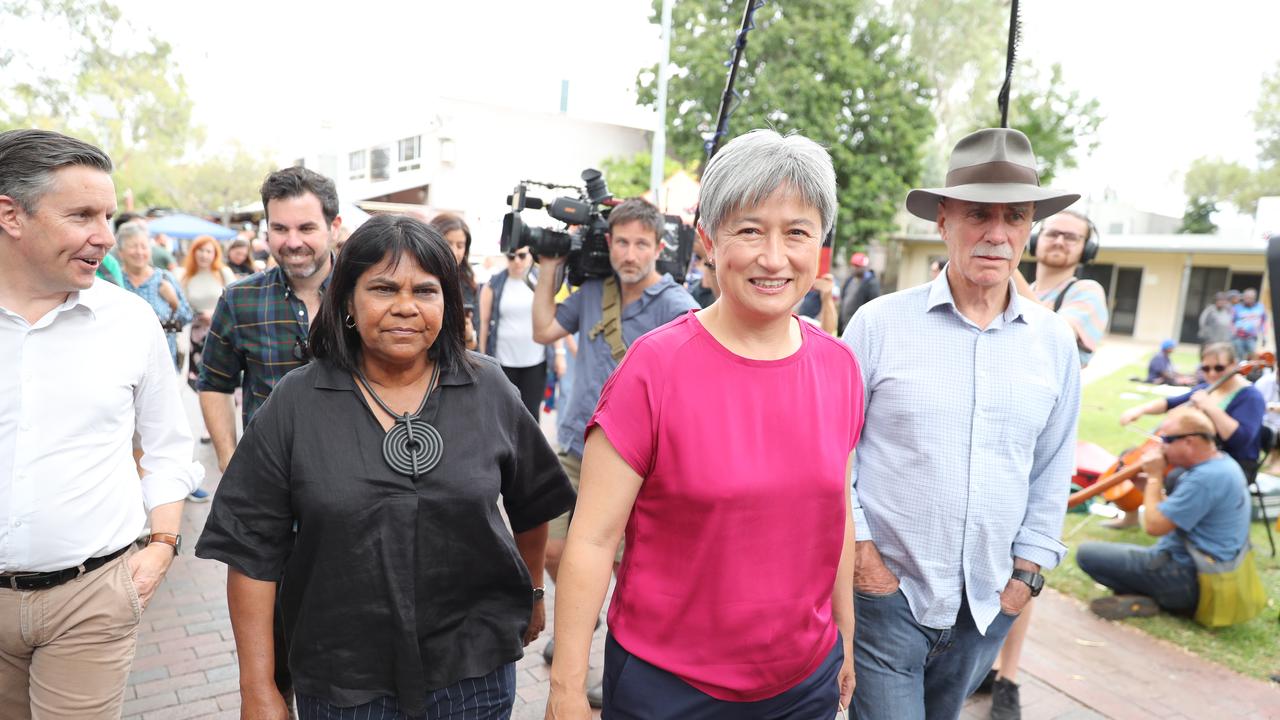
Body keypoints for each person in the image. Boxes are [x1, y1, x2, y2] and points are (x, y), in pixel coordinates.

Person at [196, 215, 574, 720]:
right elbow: (250, 551)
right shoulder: (297, 403)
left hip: (473, 673)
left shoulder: (489, 389)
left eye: (425, 290)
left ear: (447, 300)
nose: (405, 307)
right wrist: (257, 688)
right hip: (343, 681)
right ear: (347, 300)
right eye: (382, 288)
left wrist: (532, 592)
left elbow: (534, 503)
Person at [545, 129, 858, 719]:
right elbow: (590, 540)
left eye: (796, 232)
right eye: (749, 229)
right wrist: (565, 690)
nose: (773, 257)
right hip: (670, 690)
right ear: (709, 242)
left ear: (819, 246)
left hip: (802, 683)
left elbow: (836, 512)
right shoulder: (653, 368)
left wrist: (845, 636)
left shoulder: (839, 367)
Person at [841, 127, 1082, 720]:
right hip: (885, 600)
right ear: (943, 219)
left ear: (1029, 228)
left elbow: (1052, 470)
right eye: (978, 213)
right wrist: (866, 564)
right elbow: (832, 457)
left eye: (1015, 216)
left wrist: (1025, 578)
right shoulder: (877, 326)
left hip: (988, 605)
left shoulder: (1053, 342)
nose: (997, 233)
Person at [0, 128, 202, 719]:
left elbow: (169, 445)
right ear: (10, 214)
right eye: (83, 215)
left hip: (92, 599)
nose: (105, 238)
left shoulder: (131, 322)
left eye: (108, 215)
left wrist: (163, 544)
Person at [530, 197, 698, 702]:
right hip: (574, 445)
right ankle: (586, 610)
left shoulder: (675, 304)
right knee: (554, 548)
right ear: (609, 243)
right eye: (621, 241)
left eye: (641, 243)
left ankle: (604, 667)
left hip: (637, 462)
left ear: (658, 247)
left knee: (625, 568)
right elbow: (543, 331)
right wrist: (548, 269)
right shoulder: (591, 293)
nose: (630, 253)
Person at [197, 166, 343, 710]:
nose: (292, 241)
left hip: (353, 493)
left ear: (334, 225)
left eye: (306, 227)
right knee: (271, 655)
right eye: (279, 229)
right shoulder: (241, 301)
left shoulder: (367, 292)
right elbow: (212, 384)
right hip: (273, 500)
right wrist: (232, 461)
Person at [1077, 407, 1252, 619]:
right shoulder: (1220, 464)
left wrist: (1154, 478)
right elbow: (1177, 512)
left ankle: (1163, 599)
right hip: (1204, 573)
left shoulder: (1205, 478)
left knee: (1087, 554)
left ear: (1189, 441)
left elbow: (1154, 526)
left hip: (1190, 577)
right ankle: (1151, 597)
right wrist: (1148, 488)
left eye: (1167, 439)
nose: (1161, 446)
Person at [1120, 342, 1265, 480]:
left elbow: (1239, 440)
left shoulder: (1251, 397)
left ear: (1234, 365)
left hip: (1233, 465)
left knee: (1174, 477)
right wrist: (1139, 410)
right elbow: (1169, 403)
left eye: (1219, 368)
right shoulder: (1207, 388)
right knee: (1129, 457)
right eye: (1206, 369)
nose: (1212, 374)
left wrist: (1210, 407)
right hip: (1200, 457)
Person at [480, 247, 548, 416]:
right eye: (512, 257)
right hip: (504, 361)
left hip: (535, 359)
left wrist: (560, 353)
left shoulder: (540, 280)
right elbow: (484, 322)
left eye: (522, 256)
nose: (517, 261)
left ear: (530, 256)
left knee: (531, 413)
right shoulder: (493, 284)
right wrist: (482, 356)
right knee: (504, 413)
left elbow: (550, 317)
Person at [117, 221, 193, 368]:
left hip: (163, 364)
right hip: (124, 364)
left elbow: (187, 318)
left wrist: (174, 301)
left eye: (144, 246)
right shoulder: (116, 281)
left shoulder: (164, 279)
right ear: (121, 252)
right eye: (133, 246)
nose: (139, 252)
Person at [180, 235, 236, 413]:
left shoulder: (223, 273)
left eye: (208, 251)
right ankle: (208, 419)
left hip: (223, 332)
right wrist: (198, 315)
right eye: (200, 250)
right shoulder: (186, 277)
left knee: (224, 375)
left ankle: (223, 413)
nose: (204, 255)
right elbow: (182, 307)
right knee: (202, 378)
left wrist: (214, 314)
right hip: (198, 334)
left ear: (215, 254)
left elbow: (235, 301)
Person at [428, 212, 480, 349]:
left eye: (460, 245)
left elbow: (474, 346)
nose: (454, 251)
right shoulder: (419, 277)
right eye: (448, 243)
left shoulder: (469, 284)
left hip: (456, 362)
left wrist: (468, 335)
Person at [837, 251, 880, 331]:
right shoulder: (849, 280)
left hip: (858, 327)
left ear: (865, 267)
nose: (855, 268)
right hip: (845, 324)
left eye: (858, 266)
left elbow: (873, 306)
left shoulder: (871, 284)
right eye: (853, 265)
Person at [1232, 288, 1267, 360]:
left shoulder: (1260, 307)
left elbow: (1263, 322)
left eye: (1250, 298)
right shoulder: (1237, 307)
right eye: (1246, 297)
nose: (1247, 299)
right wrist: (1233, 333)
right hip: (1238, 338)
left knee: (1253, 358)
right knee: (1238, 358)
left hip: (1252, 338)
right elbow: (1231, 322)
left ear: (1254, 298)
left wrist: (1264, 336)